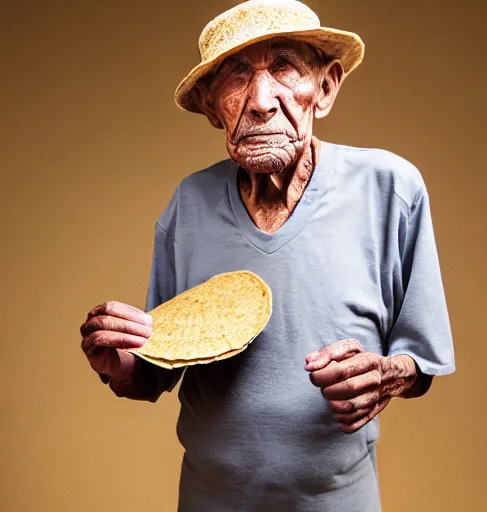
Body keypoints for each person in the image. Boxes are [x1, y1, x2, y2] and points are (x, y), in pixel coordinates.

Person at [80, 1, 455, 510]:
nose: (261, 101)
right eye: (237, 75)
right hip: (210, 498)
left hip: (337, 500)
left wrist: (388, 374)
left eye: (284, 67)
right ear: (214, 106)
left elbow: (423, 360)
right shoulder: (188, 204)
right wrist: (118, 362)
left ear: (324, 88)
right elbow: (155, 371)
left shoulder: (391, 190)